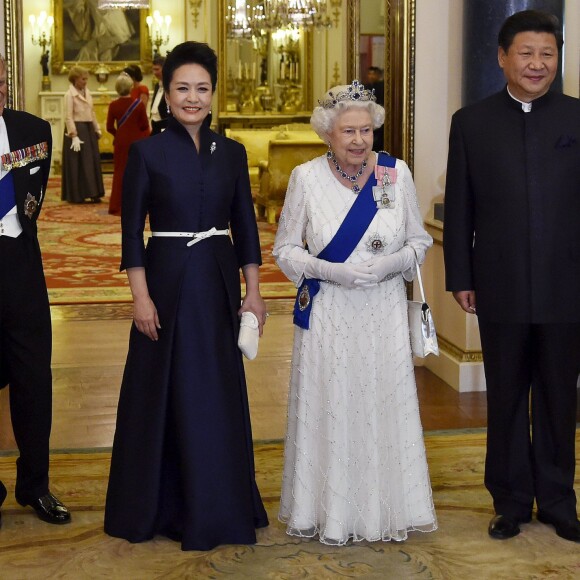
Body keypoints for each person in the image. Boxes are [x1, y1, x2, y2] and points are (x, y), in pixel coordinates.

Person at [104, 41, 269, 551]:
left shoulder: (232, 152)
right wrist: (140, 297)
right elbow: (133, 232)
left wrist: (255, 292)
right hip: (166, 281)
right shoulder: (147, 152)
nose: (193, 98)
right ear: (166, 93)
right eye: (183, 89)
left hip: (217, 284)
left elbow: (244, 225)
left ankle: (222, 503)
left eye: (202, 89)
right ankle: (161, 505)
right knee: (164, 392)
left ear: (213, 93)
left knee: (214, 392)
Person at [273, 80, 437, 545]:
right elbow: (285, 250)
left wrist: (391, 264)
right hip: (330, 311)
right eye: (349, 132)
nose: (360, 141)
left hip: (382, 310)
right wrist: (330, 270)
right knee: (334, 400)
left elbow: (418, 241)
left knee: (381, 399)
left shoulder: (394, 174)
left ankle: (386, 508)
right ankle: (329, 511)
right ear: (328, 133)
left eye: (366, 130)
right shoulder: (306, 178)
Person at [443, 10, 580, 543]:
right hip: (498, 284)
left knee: (558, 396)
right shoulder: (471, 122)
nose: (537, 64)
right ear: (502, 57)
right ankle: (509, 501)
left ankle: (559, 501)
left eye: (547, 54)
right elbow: (460, 208)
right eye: (526, 53)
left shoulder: (576, 118)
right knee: (503, 395)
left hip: (567, 285)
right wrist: (460, 273)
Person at [0, 54, 71, 527]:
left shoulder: (34, 132)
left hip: (20, 264)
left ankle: (35, 486)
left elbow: (32, 202)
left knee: (33, 378)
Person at [106, 74, 150, 216]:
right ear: (131, 88)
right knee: (136, 173)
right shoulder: (138, 105)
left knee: (119, 172)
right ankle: (136, 204)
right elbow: (144, 125)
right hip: (136, 142)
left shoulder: (113, 105)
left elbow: (109, 127)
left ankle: (116, 206)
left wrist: (118, 134)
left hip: (120, 142)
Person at [61, 65, 105, 204]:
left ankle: (94, 192)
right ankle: (77, 195)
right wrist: (73, 135)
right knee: (78, 163)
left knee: (91, 161)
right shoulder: (69, 95)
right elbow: (68, 116)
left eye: (86, 79)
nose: (85, 82)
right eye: (83, 79)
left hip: (89, 129)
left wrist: (97, 129)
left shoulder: (88, 92)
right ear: (75, 79)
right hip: (76, 130)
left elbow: (92, 112)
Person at [149, 55, 169, 135]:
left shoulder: (170, 86)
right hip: (155, 125)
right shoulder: (157, 85)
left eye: (157, 69)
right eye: (153, 69)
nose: (154, 73)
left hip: (165, 125)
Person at [366, 66, 384, 151]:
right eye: (369, 74)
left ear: (378, 75)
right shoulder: (365, 87)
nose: (371, 76)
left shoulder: (383, 86)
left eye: (373, 74)